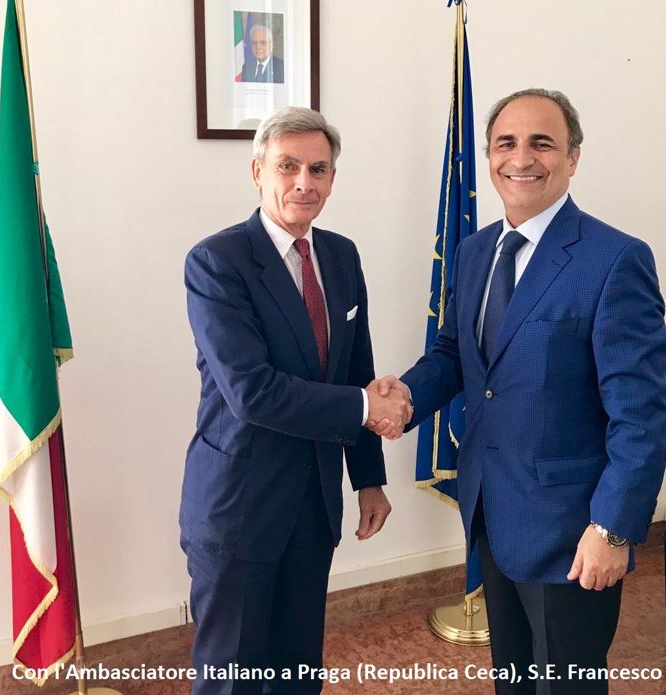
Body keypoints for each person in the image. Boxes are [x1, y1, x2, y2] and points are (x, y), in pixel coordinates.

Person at [371, 89, 666, 695]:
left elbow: (640, 416)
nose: (522, 158)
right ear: (489, 156)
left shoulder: (615, 259)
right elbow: (454, 353)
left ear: (573, 157)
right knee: (514, 677)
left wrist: (613, 528)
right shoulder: (474, 251)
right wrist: (406, 396)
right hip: (491, 507)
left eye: (542, 143)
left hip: (573, 530)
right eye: (506, 143)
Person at [181, 106, 411, 695]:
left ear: (332, 179)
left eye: (318, 169)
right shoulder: (217, 262)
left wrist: (368, 479)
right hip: (240, 507)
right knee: (232, 676)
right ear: (258, 171)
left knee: (297, 670)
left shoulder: (341, 255)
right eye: (288, 166)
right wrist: (367, 408)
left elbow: (356, 371)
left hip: (313, 505)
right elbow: (251, 391)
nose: (304, 183)